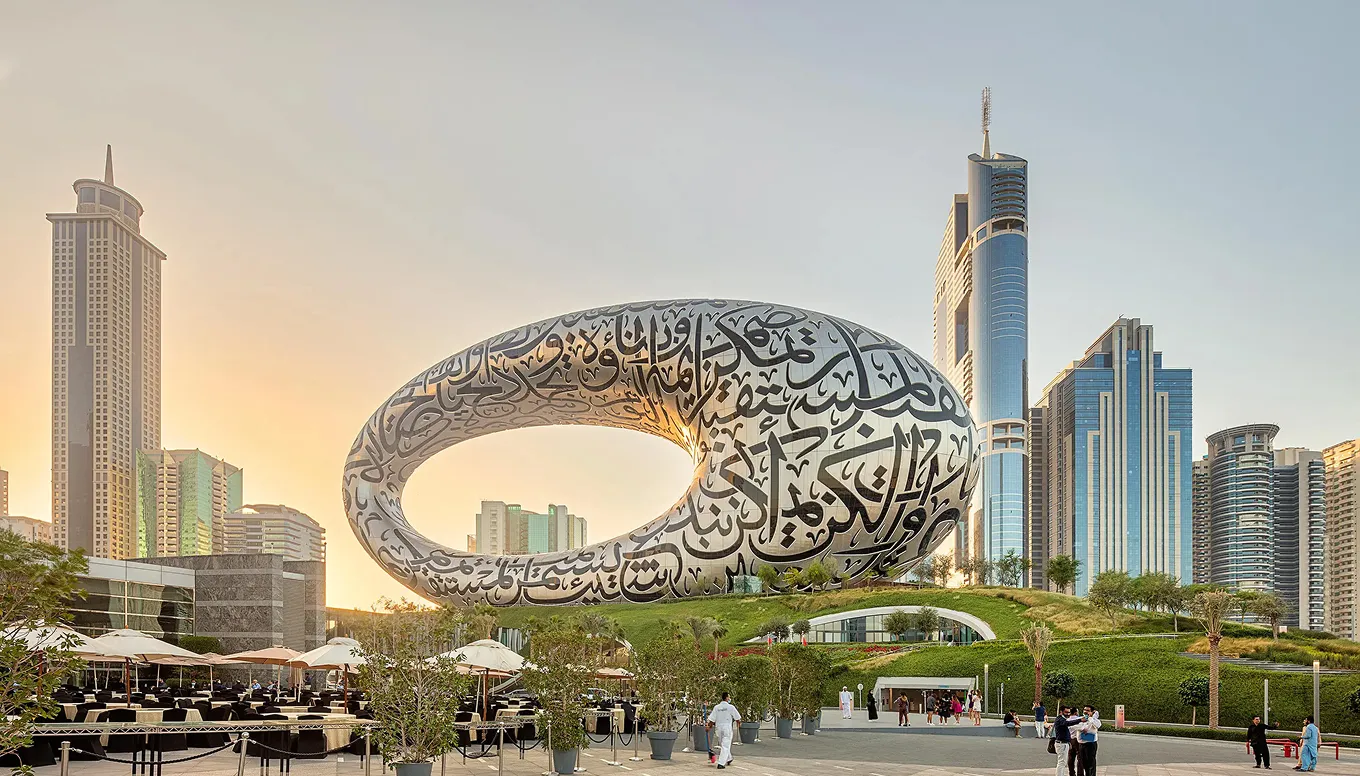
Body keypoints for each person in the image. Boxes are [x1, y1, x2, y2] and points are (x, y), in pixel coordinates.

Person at [706, 691, 742, 770]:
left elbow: (712, 719)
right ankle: (721, 763)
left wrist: (709, 727)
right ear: (726, 698)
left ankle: (729, 758)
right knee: (725, 745)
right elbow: (737, 718)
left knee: (723, 744)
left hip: (718, 728)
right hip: (727, 728)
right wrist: (739, 724)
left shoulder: (717, 707)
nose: (729, 698)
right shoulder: (730, 707)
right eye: (729, 697)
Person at [1076, 705, 1101, 776]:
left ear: (1092, 712)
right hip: (1081, 744)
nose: (1085, 711)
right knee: (1082, 762)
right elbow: (1076, 726)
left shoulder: (1095, 720)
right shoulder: (1080, 719)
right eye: (1084, 710)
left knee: (1091, 762)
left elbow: (1098, 725)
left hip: (1091, 744)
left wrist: (1091, 718)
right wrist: (1083, 728)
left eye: (1087, 710)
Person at [1052, 706, 1077, 776]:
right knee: (1062, 762)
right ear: (1061, 712)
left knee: (1062, 762)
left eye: (1069, 712)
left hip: (1063, 743)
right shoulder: (1060, 719)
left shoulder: (1061, 719)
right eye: (1066, 712)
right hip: (1062, 744)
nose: (1068, 714)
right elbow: (1067, 723)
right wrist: (1080, 720)